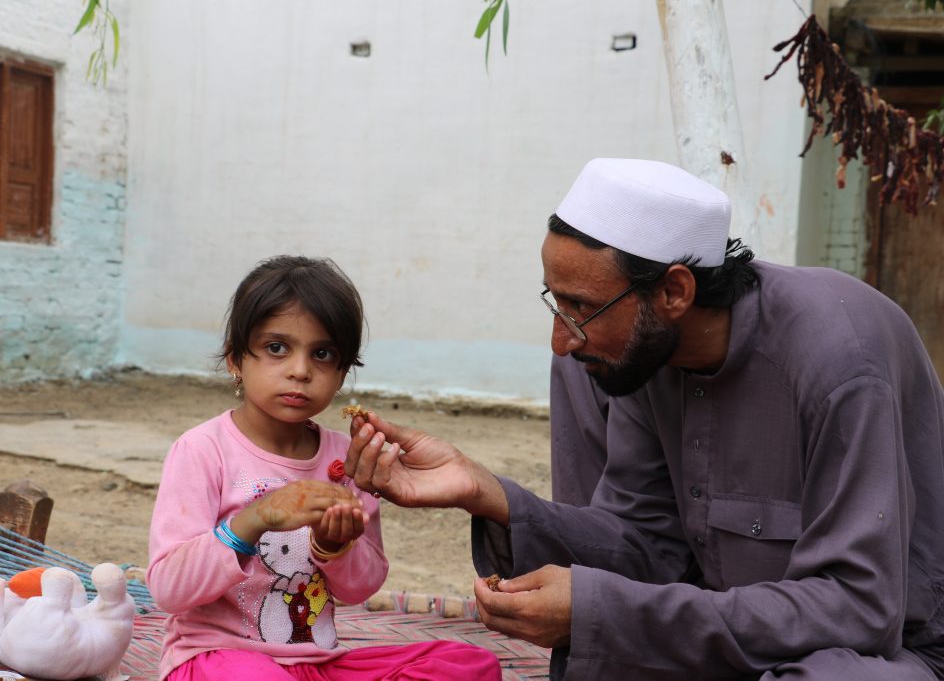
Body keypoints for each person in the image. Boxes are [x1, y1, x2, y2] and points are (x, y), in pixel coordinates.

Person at [344, 159, 944, 680]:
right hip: (723, 633)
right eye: (557, 302)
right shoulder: (644, 353)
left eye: (580, 306)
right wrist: (487, 494)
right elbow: (645, 548)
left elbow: (858, 609)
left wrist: (607, 611)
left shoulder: (840, 354)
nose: (560, 338)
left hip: (884, 653)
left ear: (675, 292)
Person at [146, 255, 502, 680]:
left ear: (342, 372)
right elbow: (169, 589)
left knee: (468, 665)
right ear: (235, 360)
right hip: (216, 660)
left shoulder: (345, 461)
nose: (300, 371)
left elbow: (358, 589)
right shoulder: (203, 450)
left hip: (317, 664)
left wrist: (334, 548)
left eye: (322, 354)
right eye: (276, 348)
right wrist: (254, 520)